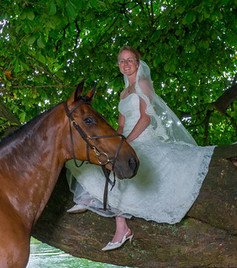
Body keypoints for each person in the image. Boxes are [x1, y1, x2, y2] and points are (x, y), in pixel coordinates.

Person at [66, 47, 215, 251]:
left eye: (130, 60)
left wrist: (126, 142)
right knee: (95, 155)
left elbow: (145, 119)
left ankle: (121, 228)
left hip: (142, 137)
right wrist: (116, 141)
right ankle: (91, 196)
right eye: (122, 61)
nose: (126, 64)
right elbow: (120, 126)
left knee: (124, 168)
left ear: (137, 63)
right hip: (125, 138)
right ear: (119, 66)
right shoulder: (123, 93)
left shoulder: (143, 84)